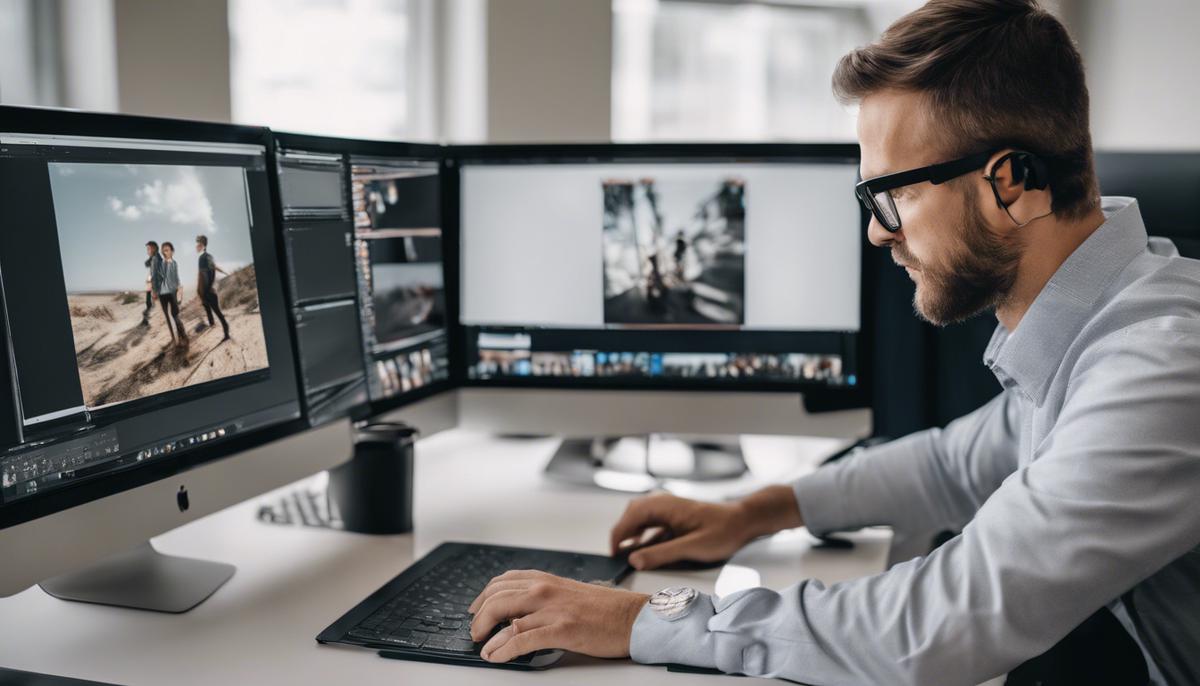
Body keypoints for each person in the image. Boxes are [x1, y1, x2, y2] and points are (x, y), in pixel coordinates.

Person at [465, 2, 1200, 684]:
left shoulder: (1159, 367)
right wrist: (753, 513)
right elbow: (955, 464)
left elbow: (934, 626)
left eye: (896, 194)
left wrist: (637, 618)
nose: (879, 230)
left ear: (1009, 184)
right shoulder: (1102, 322)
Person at [194, 234, 230, 340]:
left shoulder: (203, 257)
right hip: (207, 291)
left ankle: (225, 332)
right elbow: (209, 272)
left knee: (218, 313)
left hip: (208, 292)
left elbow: (208, 273)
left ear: (204, 246)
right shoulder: (206, 257)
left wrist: (206, 289)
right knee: (210, 309)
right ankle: (214, 324)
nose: (197, 247)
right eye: (197, 244)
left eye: (199, 244)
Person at [157, 242, 188, 347]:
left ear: (172, 251)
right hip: (162, 294)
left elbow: (176, 277)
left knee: (175, 315)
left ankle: (183, 335)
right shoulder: (161, 263)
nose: (165, 252)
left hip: (172, 292)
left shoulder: (174, 263)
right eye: (163, 250)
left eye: (167, 249)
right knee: (168, 317)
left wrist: (180, 288)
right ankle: (175, 340)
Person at [141, 241, 162, 327]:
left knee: (152, 304)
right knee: (149, 303)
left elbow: (157, 275)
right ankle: (145, 320)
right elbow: (146, 264)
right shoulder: (154, 258)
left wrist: (155, 289)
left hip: (155, 285)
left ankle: (148, 322)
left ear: (153, 249)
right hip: (151, 284)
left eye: (149, 249)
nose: (147, 251)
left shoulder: (156, 259)